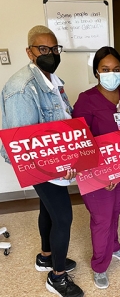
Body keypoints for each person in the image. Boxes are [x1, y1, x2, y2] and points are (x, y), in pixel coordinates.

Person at [0, 26, 84, 296]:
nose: (50, 54)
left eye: (54, 49)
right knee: (63, 217)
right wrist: (61, 164)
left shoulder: (52, 80)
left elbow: (61, 123)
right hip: (42, 168)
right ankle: (57, 277)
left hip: (56, 164)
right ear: (29, 51)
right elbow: (26, 146)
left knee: (48, 210)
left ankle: (46, 256)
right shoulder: (22, 88)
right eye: (43, 49)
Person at [72, 46, 120, 289]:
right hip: (97, 175)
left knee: (115, 212)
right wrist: (104, 173)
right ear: (96, 72)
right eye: (105, 70)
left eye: (116, 69)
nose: (111, 74)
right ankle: (99, 265)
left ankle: (112, 246)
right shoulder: (86, 99)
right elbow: (82, 141)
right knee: (101, 218)